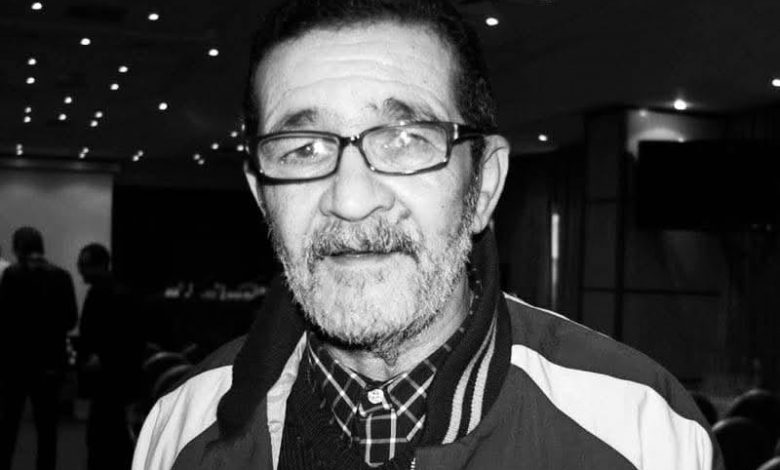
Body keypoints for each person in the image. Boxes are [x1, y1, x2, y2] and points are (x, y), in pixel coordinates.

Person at [132, 1, 722, 469]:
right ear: (263, 194)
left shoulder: (645, 433)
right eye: (303, 149)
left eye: (406, 140)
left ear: (483, 185)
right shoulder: (177, 431)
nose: (352, 200)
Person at [0, 227, 78, 470]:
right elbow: (70, 319)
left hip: (16, 361)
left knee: (8, 425)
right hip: (50, 361)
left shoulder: (12, 275)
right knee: (47, 428)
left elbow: (4, 318)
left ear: (18, 247)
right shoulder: (62, 276)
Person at [77, 243, 142, 470]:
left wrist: (98, 359)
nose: (80, 270)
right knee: (115, 436)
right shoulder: (123, 291)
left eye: (83, 265)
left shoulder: (99, 293)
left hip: (106, 377)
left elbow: (93, 333)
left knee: (100, 437)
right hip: (121, 377)